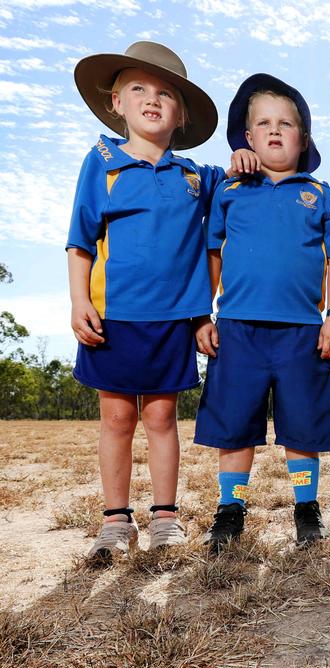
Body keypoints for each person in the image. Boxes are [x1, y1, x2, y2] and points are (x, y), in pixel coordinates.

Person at [66, 41, 221, 562]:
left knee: (160, 419)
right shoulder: (102, 161)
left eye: (165, 93)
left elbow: (240, 187)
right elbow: (80, 239)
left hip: (173, 319)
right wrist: (77, 301)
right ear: (116, 102)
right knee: (116, 420)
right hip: (113, 316)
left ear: (180, 115)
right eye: (138, 89)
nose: (151, 99)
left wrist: (243, 156)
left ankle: (165, 518)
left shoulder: (195, 178)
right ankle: (115, 521)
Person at [194, 74, 330, 552]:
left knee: (302, 425)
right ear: (248, 136)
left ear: (304, 139)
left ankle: (306, 508)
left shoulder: (320, 194)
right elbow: (213, 252)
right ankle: (231, 508)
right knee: (235, 425)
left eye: (287, 124)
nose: (276, 130)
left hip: (303, 331)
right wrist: (203, 314)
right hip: (238, 327)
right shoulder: (229, 189)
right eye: (264, 123)